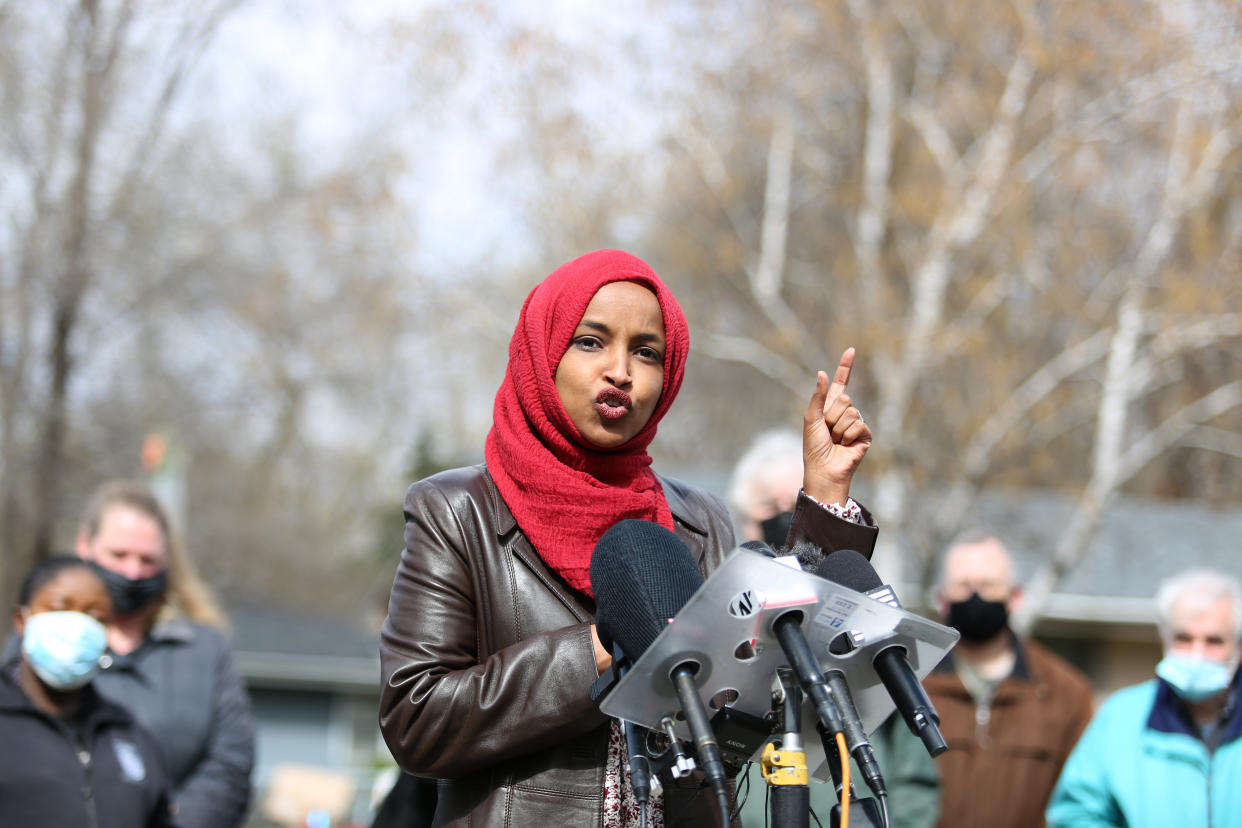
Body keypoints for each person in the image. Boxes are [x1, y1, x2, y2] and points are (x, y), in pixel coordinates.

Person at [379, 249, 879, 827]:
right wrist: (600, 651)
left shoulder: (699, 521)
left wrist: (825, 490)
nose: (621, 370)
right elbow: (416, 724)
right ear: (542, 353)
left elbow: (774, 677)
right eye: (590, 342)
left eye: (647, 352)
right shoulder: (457, 510)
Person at [728, 428, 939, 828]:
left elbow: (915, 772)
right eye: (769, 507)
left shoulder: (863, 621)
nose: (783, 520)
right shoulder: (724, 621)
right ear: (746, 522)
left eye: (794, 507)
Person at [74, 480, 255, 828]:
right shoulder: (45, 641)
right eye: (119, 555)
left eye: (147, 559)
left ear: (168, 561)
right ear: (85, 545)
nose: (132, 572)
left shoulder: (203, 650)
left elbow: (231, 764)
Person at [922, 530, 1094, 828]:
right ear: (942, 599)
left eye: (988, 585)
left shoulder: (1064, 692)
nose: (975, 596)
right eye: (963, 586)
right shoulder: (909, 683)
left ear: (1015, 596)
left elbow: (1081, 803)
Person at [1046, 568, 1242, 827]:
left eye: (1214, 641)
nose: (1197, 653)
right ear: (1164, 640)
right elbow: (1075, 812)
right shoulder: (1121, 716)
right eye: (1184, 638)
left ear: (1238, 647)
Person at [1, 555, 177, 827]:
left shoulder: (128, 734)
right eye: (60, 607)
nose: (77, 627)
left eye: (95, 615)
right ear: (21, 620)